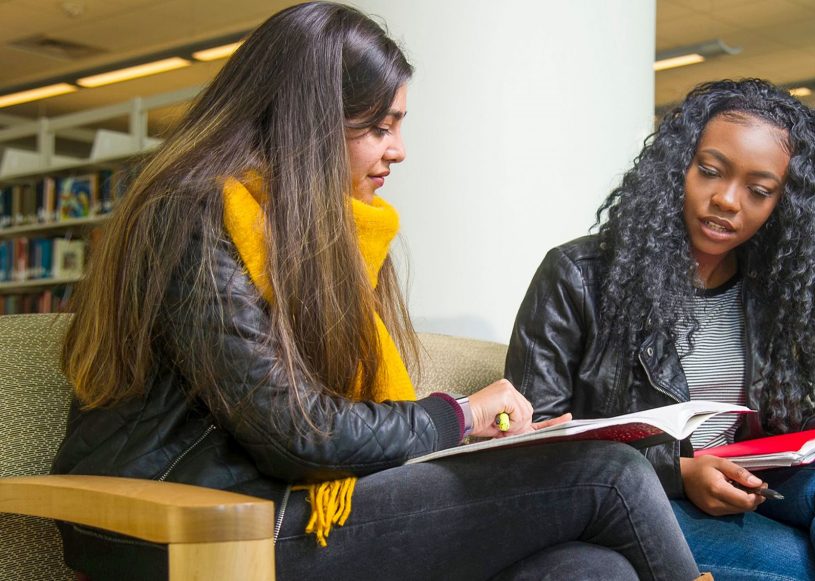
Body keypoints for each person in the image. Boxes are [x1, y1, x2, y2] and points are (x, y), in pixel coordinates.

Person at [52, 3, 705, 580]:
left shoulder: (318, 234)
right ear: (309, 122)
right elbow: (296, 432)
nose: (399, 150)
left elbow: (315, 422)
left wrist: (469, 438)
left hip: (275, 494)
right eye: (378, 126)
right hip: (188, 518)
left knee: (592, 568)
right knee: (610, 474)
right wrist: (457, 415)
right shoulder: (193, 214)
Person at [506, 78, 815, 581]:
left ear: (784, 204)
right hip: (631, 498)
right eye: (710, 172)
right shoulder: (579, 274)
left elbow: (789, 421)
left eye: (759, 191)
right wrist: (680, 471)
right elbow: (532, 441)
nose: (728, 201)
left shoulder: (776, 289)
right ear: (678, 169)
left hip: (750, 480)